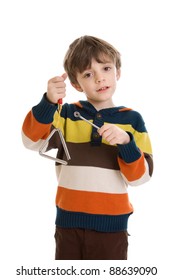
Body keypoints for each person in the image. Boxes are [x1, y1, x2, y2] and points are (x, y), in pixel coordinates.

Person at [22, 35, 153, 260]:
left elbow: (140, 178)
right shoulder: (65, 114)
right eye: (88, 74)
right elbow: (31, 141)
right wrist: (48, 103)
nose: (100, 79)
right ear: (75, 84)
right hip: (68, 223)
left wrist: (126, 143)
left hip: (112, 227)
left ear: (117, 72)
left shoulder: (132, 120)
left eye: (106, 68)